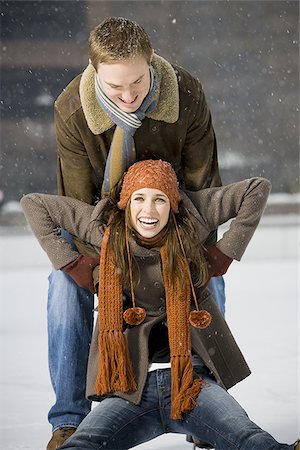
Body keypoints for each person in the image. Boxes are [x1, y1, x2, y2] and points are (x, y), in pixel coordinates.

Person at [21, 159, 298, 450]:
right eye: (139, 199)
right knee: (83, 445)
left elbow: (256, 189)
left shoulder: (192, 219)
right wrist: (72, 263)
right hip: (128, 389)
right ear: (126, 205)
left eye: (160, 200)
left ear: (174, 204)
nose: (149, 211)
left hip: (193, 384)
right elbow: (34, 204)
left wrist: (224, 253)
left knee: (250, 439)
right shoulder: (105, 229)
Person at [47, 16, 226, 449]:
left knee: (208, 274)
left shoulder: (186, 93)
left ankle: (203, 398)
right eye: (114, 88)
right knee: (62, 286)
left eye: (138, 83)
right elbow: (76, 206)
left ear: (151, 63)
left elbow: (204, 187)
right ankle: (69, 419)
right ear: (95, 73)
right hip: (100, 230)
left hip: (176, 218)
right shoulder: (72, 109)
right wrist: (119, 262)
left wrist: (186, 247)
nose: (128, 97)